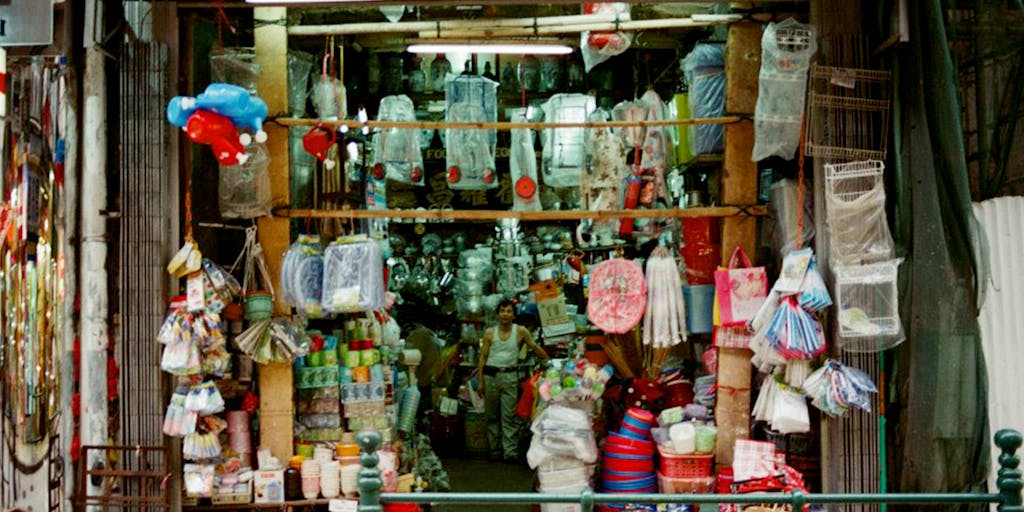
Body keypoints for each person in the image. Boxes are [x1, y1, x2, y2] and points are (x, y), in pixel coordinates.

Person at [477, 299, 548, 462]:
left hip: (509, 377)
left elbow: (533, 346)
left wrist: (547, 358)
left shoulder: (520, 331)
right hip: (490, 376)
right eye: (502, 311)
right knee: (492, 416)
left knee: (508, 416)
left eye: (508, 311)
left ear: (513, 314)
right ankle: (494, 450)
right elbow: (482, 358)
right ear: (497, 314)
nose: (505, 314)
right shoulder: (489, 333)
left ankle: (510, 452)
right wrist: (480, 381)